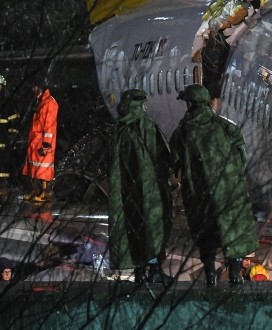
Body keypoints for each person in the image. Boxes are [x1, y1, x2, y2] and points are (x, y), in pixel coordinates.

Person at [170, 84, 259, 286]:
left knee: (206, 234)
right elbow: (240, 153)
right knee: (234, 232)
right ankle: (235, 274)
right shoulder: (225, 127)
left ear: (190, 104)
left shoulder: (183, 132)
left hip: (200, 192)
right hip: (229, 191)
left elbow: (174, 161)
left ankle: (210, 274)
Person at [107, 89, 175, 284]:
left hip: (127, 190)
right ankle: (154, 269)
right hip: (149, 189)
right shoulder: (146, 126)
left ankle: (139, 271)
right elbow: (162, 155)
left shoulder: (119, 130)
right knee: (153, 229)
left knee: (133, 227)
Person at [22, 82, 58, 203]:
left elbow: (49, 125)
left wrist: (46, 144)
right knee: (34, 167)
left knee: (44, 168)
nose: (33, 89)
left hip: (43, 141)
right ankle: (36, 190)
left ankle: (47, 193)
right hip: (36, 140)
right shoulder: (40, 101)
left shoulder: (49, 103)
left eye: (35, 86)